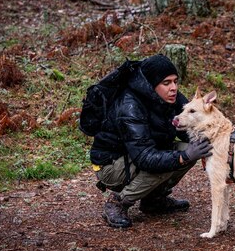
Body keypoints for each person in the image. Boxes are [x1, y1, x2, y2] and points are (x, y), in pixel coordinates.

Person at [89, 54, 213, 228]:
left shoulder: (170, 97)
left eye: (175, 81)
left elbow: (191, 128)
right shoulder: (130, 106)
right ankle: (117, 203)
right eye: (166, 83)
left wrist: (219, 139)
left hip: (139, 154)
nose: (173, 88)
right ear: (151, 84)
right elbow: (145, 158)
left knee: (189, 148)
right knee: (172, 159)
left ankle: (153, 201)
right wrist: (183, 156)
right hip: (111, 166)